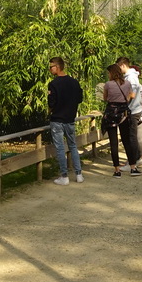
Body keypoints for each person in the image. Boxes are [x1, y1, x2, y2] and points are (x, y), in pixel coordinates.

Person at [47, 56, 84, 185]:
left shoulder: (53, 84)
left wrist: (51, 109)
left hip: (57, 119)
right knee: (73, 145)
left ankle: (64, 176)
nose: (50, 69)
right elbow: (80, 99)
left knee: (60, 148)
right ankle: (79, 174)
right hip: (70, 119)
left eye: (51, 66)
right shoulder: (74, 82)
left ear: (57, 67)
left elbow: (51, 102)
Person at [102, 63, 140, 177]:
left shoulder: (108, 84)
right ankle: (133, 167)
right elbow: (129, 97)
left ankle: (117, 170)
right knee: (126, 141)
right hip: (123, 114)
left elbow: (105, 98)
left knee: (113, 143)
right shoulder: (127, 83)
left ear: (111, 73)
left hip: (111, 114)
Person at [116, 57, 142, 168]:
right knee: (132, 137)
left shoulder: (131, 77)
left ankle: (132, 162)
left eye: (119, 67)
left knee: (131, 138)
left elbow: (132, 94)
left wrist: (120, 99)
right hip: (134, 109)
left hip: (133, 110)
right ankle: (135, 159)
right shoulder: (131, 76)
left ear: (123, 65)